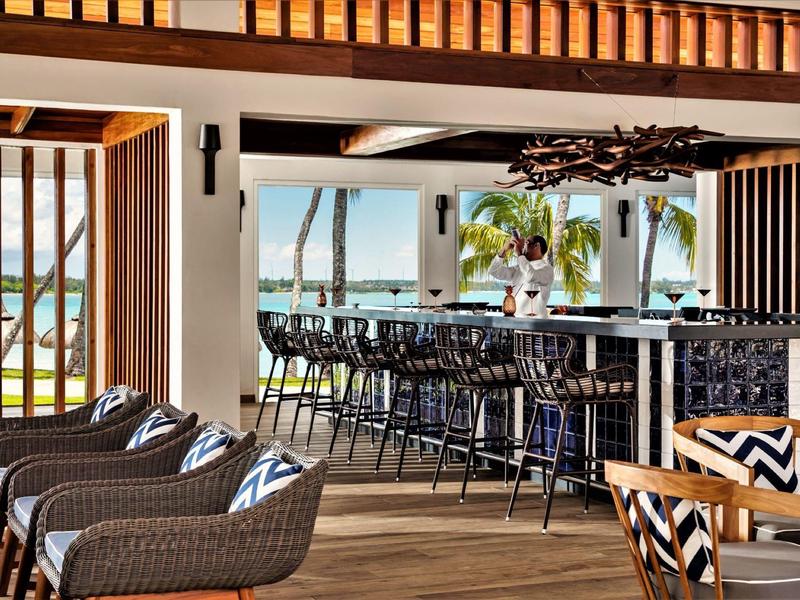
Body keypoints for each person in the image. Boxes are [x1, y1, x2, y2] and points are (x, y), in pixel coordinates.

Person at [489, 234, 555, 317]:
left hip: (535, 322)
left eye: (526, 242)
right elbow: (493, 271)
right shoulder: (518, 268)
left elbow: (531, 276)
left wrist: (520, 253)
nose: (523, 246)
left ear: (536, 246)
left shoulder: (547, 269)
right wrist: (504, 250)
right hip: (515, 321)